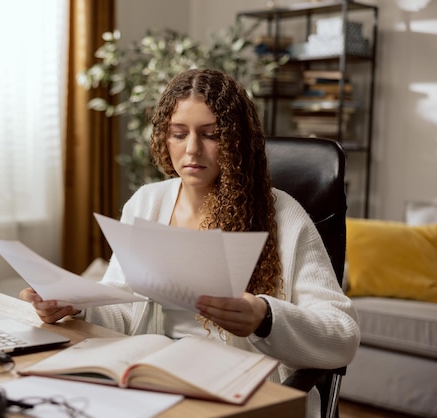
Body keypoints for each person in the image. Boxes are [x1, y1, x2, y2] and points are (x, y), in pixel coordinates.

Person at [20, 68, 360, 418]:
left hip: (241, 393)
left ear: (237, 141)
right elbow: (125, 309)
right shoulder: (146, 203)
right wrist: (76, 305)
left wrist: (265, 317)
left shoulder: (284, 216)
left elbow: (343, 335)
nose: (192, 149)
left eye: (211, 135)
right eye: (178, 134)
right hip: (153, 379)